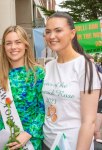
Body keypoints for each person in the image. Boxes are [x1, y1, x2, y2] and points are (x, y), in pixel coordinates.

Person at [42, 12, 101, 150]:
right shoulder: (49, 66)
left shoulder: (85, 67)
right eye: (48, 32)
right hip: (47, 143)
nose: (52, 36)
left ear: (72, 33)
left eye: (58, 30)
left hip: (73, 144)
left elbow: (89, 122)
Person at [0, 25, 45, 150]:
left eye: (18, 42)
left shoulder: (38, 73)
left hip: (30, 140)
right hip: (5, 138)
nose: (13, 47)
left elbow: (44, 109)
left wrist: (28, 133)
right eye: (8, 43)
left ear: (26, 45)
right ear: (4, 47)